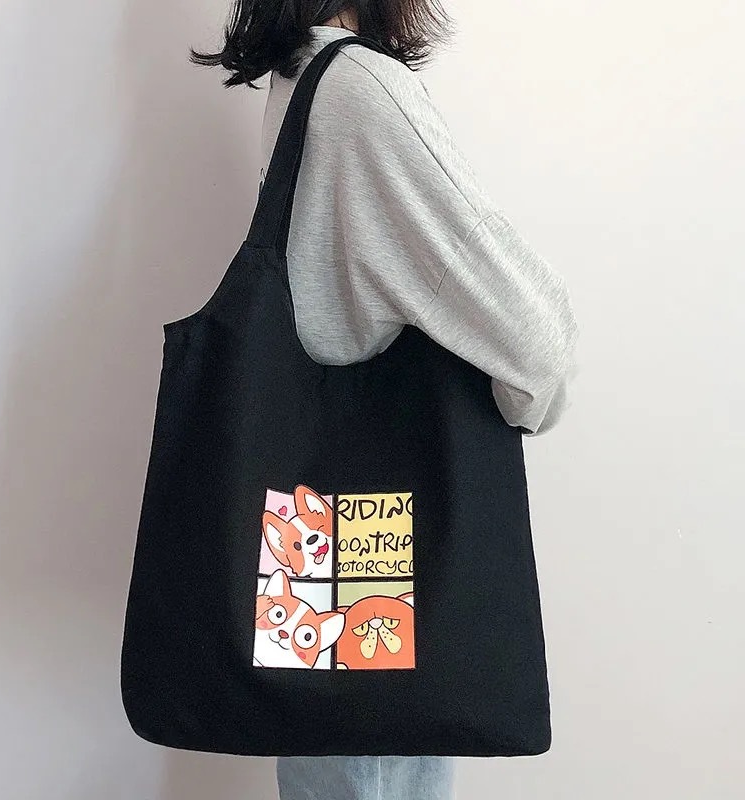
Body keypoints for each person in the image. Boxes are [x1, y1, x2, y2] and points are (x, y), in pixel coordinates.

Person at [191, 2, 580, 799]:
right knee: (373, 745)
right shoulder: (360, 88)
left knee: (329, 737)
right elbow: (535, 342)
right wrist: (529, 397)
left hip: (322, 535)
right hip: (380, 546)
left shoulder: (302, 77)